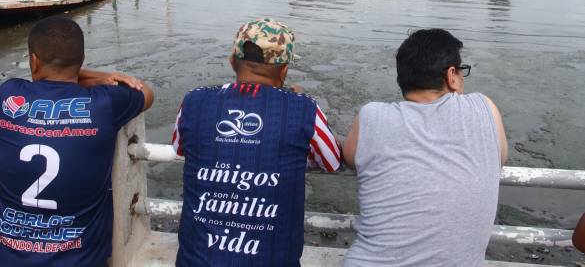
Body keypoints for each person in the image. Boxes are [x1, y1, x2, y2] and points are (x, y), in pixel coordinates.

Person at [172, 18, 342, 266]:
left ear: (232, 61)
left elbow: (179, 148)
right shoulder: (304, 108)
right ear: (284, 70)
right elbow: (331, 161)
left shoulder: (193, 101)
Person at [0, 15, 154, 266]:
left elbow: (38, 79)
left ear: (33, 61)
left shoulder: (9, 95)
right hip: (80, 259)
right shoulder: (104, 104)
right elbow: (146, 93)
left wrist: (83, 73)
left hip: (9, 259)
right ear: (81, 61)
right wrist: (102, 76)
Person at [342, 28, 508, 267]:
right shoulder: (484, 109)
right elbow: (499, 156)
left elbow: (350, 157)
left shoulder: (371, 116)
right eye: (461, 72)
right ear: (451, 75)